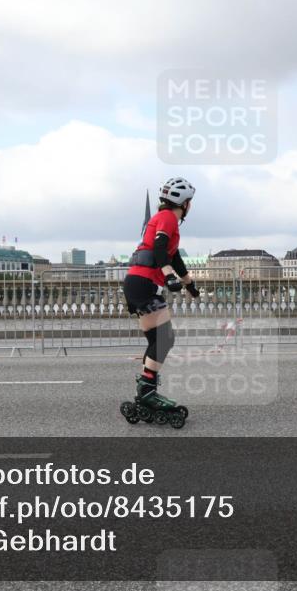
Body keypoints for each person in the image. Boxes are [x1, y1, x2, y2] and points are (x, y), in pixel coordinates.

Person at [119, 177, 199, 428]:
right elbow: (159, 247)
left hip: (137, 283)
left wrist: (189, 284)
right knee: (165, 339)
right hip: (143, 284)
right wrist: (166, 275)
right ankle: (147, 392)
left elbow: (174, 259)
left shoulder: (165, 220)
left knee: (158, 340)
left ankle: (146, 390)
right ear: (184, 203)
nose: (191, 206)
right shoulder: (167, 218)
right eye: (190, 202)